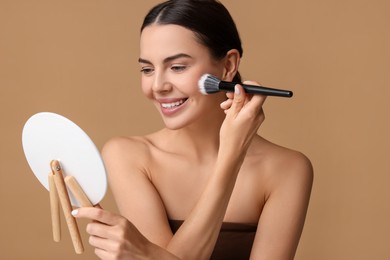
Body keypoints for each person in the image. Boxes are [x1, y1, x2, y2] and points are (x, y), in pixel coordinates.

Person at [72, 0, 313, 259]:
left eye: (177, 67)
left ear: (229, 65)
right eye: (147, 69)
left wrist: (231, 156)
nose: (158, 86)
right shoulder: (129, 156)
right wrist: (231, 159)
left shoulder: (287, 169)